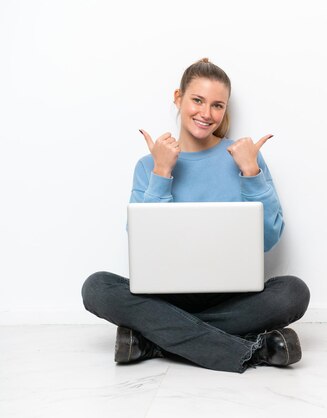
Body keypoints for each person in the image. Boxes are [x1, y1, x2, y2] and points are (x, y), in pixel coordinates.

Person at [81, 58, 310, 373]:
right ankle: (253, 351)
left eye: (217, 105)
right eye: (198, 100)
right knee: (96, 287)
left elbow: (269, 240)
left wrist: (251, 172)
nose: (206, 113)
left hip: (233, 296)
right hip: (168, 297)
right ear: (178, 98)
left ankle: (152, 340)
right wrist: (162, 171)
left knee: (293, 292)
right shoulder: (148, 165)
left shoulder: (245, 158)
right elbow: (143, 244)